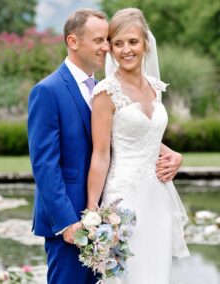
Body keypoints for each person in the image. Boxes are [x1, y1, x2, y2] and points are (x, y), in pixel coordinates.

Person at [27, 8, 183, 284]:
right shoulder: (48, 90)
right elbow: (44, 166)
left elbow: (126, 135)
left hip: (112, 212)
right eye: (101, 40)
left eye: (105, 40)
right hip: (73, 217)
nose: (107, 47)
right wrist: (68, 222)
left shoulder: (103, 87)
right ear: (73, 42)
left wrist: (171, 154)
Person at [87, 8, 190, 284]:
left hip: (158, 197)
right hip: (124, 200)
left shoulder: (155, 88)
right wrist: (92, 211)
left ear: (145, 43)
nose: (126, 50)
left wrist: (174, 155)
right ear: (110, 48)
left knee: (156, 275)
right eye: (118, 43)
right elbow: (100, 154)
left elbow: (147, 137)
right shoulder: (106, 93)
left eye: (132, 42)